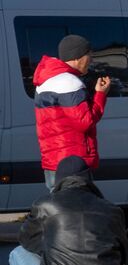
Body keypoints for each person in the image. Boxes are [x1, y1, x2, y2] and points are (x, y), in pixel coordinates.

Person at [33, 34, 112, 188]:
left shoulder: (47, 80)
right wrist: (101, 95)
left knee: (59, 208)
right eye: (89, 55)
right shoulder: (69, 82)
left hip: (53, 159)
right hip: (72, 162)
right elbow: (85, 122)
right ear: (77, 57)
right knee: (79, 209)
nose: (91, 59)